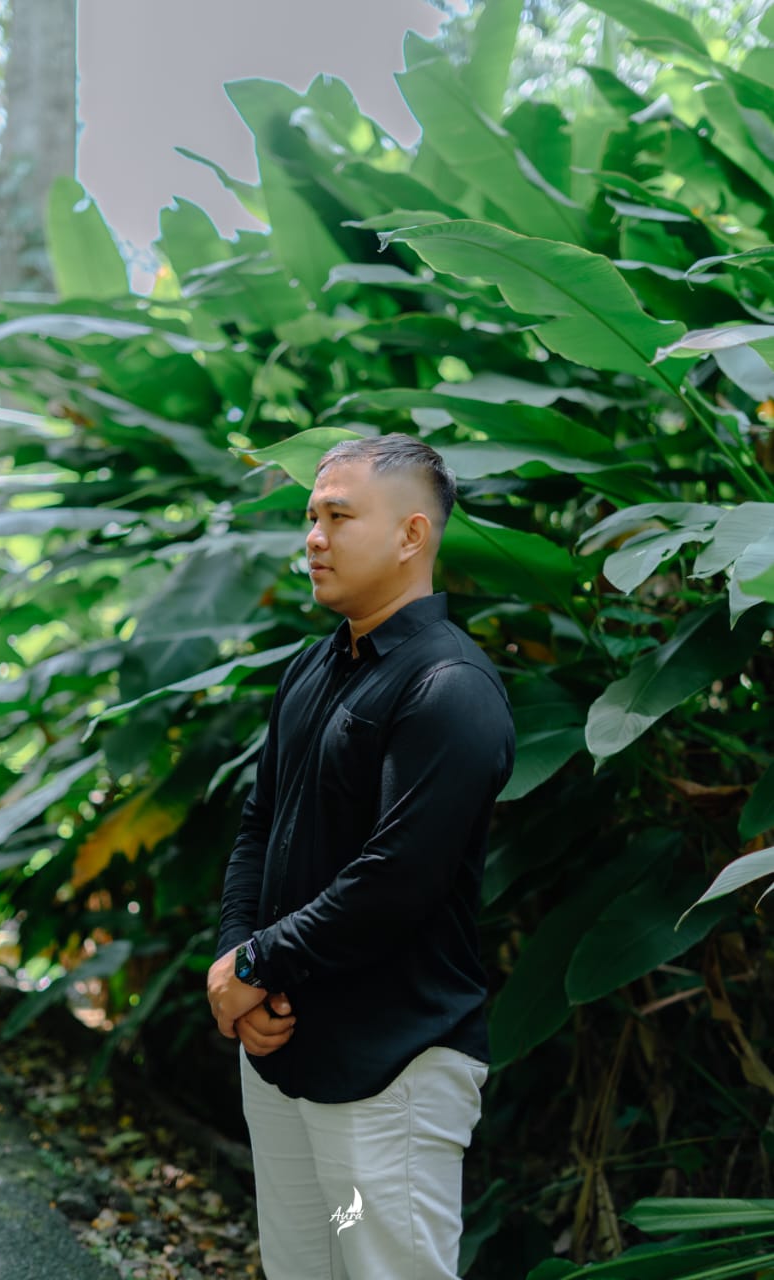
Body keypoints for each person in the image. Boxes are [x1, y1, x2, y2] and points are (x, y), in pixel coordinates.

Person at [207, 434, 514, 1279]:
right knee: (303, 1270)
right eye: (311, 517)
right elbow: (258, 825)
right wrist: (236, 964)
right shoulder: (311, 668)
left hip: (390, 1072)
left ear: (412, 535)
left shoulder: (449, 687)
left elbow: (395, 881)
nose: (313, 537)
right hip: (284, 1054)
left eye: (338, 517)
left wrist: (258, 964)